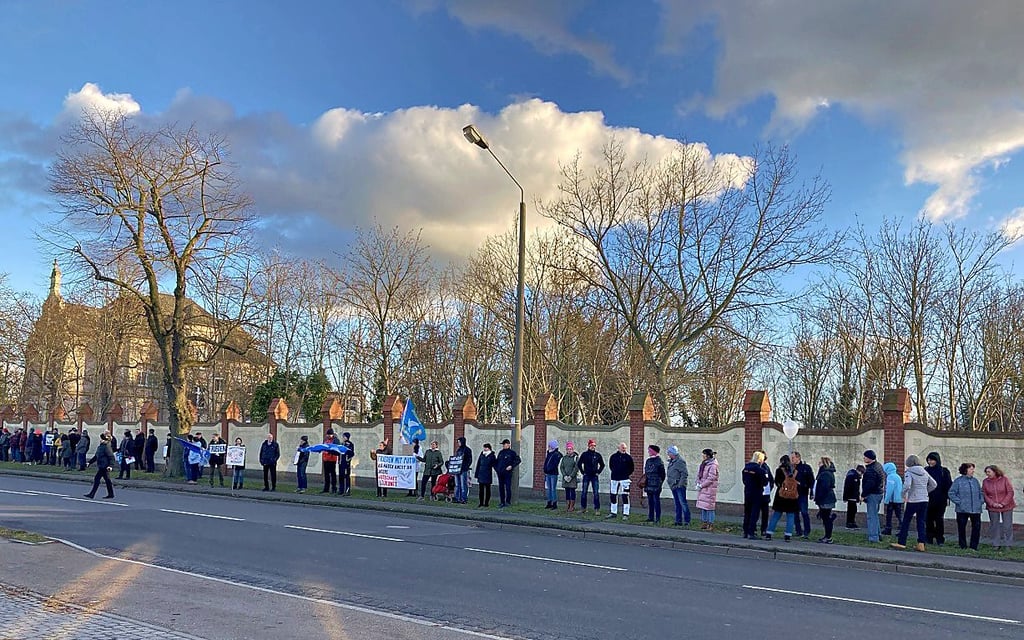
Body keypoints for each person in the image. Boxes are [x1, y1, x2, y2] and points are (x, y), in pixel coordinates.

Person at [891, 454, 937, 552]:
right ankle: (921, 543)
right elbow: (934, 484)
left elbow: (907, 485)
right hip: (924, 499)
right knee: (921, 521)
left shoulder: (909, 472)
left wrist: (903, 494)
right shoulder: (924, 472)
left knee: (906, 521)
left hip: (913, 500)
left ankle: (902, 542)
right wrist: (925, 491)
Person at [948, 462, 983, 550]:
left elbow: (980, 492)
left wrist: (980, 501)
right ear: (965, 470)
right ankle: (962, 545)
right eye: (971, 469)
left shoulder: (975, 481)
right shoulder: (958, 481)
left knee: (976, 527)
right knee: (962, 528)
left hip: (975, 508)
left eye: (973, 469)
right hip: (962, 509)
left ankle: (974, 546)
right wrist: (959, 502)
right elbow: (951, 493)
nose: (973, 471)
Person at [981, 465, 1016, 551]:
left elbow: (1010, 492)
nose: (987, 474)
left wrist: (1003, 503)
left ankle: (1008, 544)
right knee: (994, 526)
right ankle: (996, 544)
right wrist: (993, 503)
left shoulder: (1004, 479)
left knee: (1007, 526)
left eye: (989, 472)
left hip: (1007, 506)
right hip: (993, 507)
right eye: (986, 472)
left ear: (995, 471)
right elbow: (984, 494)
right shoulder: (985, 482)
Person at [764, 455, 799, 541]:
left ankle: (769, 533)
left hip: (781, 496)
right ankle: (788, 535)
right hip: (792, 497)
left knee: (776, 515)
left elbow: (777, 482)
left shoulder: (779, 470)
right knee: (790, 516)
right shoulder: (794, 471)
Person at [924, 452, 952, 545]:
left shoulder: (944, 471)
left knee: (939, 519)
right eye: (928, 460)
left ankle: (940, 538)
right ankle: (929, 537)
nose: (930, 462)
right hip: (928, 499)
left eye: (932, 460)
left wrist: (947, 498)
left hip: (940, 500)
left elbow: (948, 485)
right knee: (928, 519)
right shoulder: (926, 470)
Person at [861, 450, 885, 543]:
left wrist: (863, 495)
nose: (864, 458)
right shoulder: (878, 466)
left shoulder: (871, 469)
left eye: (865, 457)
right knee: (875, 515)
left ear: (869, 458)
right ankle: (878, 534)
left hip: (873, 494)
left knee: (871, 516)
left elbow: (869, 484)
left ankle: (873, 537)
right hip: (879, 493)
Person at [741, 451, 767, 539]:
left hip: (747, 492)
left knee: (747, 512)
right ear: (760, 460)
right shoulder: (760, 470)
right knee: (754, 513)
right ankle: (751, 532)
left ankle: (745, 531)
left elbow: (744, 480)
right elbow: (764, 482)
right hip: (757, 493)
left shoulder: (746, 468)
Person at [83, 432, 116, 499]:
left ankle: (92, 494)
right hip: (101, 465)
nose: (100, 440)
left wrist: (111, 466)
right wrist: (89, 462)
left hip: (104, 466)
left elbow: (111, 457)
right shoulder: (101, 446)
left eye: (102, 439)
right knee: (107, 480)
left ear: (105, 440)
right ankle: (111, 494)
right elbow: (96, 456)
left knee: (97, 479)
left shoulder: (107, 447)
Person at [607, 442, 634, 520]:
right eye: (622, 447)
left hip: (625, 479)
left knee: (625, 496)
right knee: (613, 495)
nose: (623, 449)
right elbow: (611, 466)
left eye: (625, 448)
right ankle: (613, 512)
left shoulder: (628, 457)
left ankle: (626, 513)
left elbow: (632, 468)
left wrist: (626, 474)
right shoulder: (613, 457)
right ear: (618, 448)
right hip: (614, 478)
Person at [792, 451, 815, 539]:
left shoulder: (806, 468)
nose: (792, 460)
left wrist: (811, 492)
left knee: (804, 512)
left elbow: (811, 481)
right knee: (795, 513)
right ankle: (798, 530)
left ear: (798, 458)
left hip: (802, 493)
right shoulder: (792, 468)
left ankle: (806, 531)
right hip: (793, 494)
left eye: (793, 458)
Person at [814, 456, 837, 544]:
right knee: (825, 518)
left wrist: (818, 498)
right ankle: (827, 536)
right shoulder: (826, 473)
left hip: (826, 499)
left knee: (826, 519)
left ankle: (828, 537)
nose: (818, 464)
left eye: (820, 462)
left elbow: (824, 488)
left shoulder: (825, 474)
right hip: (827, 498)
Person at [577, 439, 605, 514]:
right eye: (591, 445)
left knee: (596, 492)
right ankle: (583, 508)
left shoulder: (597, 455)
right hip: (586, 475)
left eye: (594, 446)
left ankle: (597, 509)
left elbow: (602, 465)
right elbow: (579, 464)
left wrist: (598, 472)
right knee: (584, 492)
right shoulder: (584, 454)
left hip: (594, 476)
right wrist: (583, 472)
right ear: (588, 446)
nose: (593, 447)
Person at [666, 445, 690, 526]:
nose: (668, 454)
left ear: (673, 453)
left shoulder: (680, 461)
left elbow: (684, 474)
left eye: (669, 452)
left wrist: (680, 484)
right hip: (673, 485)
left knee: (683, 503)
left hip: (679, 486)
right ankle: (678, 520)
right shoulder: (672, 461)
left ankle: (687, 521)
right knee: (677, 504)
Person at [695, 449, 719, 530]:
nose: (702, 456)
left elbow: (711, 478)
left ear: (708, 455)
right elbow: (699, 475)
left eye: (704, 454)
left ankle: (710, 523)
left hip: (709, 489)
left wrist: (702, 485)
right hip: (703, 488)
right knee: (703, 506)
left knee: (709, 507)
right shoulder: (704, 463)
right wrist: (698, 483)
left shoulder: (713, 465)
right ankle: (704, 522)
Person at [495, 439, 521, 508]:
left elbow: (518, 460)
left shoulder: (512, 453)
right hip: (500, 473)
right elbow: (497, 462)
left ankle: (508, 502)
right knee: (501, 488)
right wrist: (497, 469)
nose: (503, 445)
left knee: (508, 487)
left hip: (507, 473)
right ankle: (502, 502)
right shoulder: (501, 452)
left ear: (508, 445)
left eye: (504, 444)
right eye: (503, 444)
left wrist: (511, 466)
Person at [643, 445, 666, 523]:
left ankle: (658, 518)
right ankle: (651, 517)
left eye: (650, 450)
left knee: (656, 501)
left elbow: (662, 474)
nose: (648, 452)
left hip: (656, 484)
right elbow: (646, 471)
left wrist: (659, 482)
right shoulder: (648, 461)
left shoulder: (659, 461)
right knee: (650, 501)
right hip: (648, 483)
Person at [881, 461, 904, 536]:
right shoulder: (897, 476)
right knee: (899, 515)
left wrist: (886, 500)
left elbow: (890, 489)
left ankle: (888, 529)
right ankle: (903, 529)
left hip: (892, 499)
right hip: (899, 499)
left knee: (889, 515)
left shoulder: (890, 477)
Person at [560, 441, 580, 512]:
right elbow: (561, 467)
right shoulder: (564, 458)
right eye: (568, 449)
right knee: (567, 491)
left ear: (573, 449)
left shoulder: (576, 458)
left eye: (570, 449)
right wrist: (564, 475)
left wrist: (571, 476)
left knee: (572, 491)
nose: (569, 450)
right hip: (565, 477)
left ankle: (572, 506)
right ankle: (567, 505)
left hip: (572, 478)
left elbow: (576, 468)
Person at [543, 439, 563, 509]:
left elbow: (554, 464)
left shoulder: (556, 454)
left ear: (553, 446)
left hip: (553, 473)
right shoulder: (549, 453)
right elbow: (546, 462)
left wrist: (549, 469)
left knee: (553, 489)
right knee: (549, 489)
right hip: (548, 473)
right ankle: (549, 502)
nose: (548, 447)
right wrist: (545, 469)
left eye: (550, 445)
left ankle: (554, 503)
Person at [475, 443, 495, 507]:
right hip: (481, 474)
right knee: (481, 490)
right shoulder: (482, 454)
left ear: (489, 448)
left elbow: (494, 464)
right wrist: (477, 474)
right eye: (484, 447)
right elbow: (478, 464)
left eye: (486, 447)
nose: (484, 449)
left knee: (488, 490)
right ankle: (481, 503)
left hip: (487, 474)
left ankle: (486, 503)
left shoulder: (492, 455)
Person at [757, 450, 773, 536]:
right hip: (757, 494)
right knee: (754, 512)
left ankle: (764, 529)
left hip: (765, 495)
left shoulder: (766, 467)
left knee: (765, 513)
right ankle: (753, 529)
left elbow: (771, 480)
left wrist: (769, 489)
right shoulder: (755, 467)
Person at [453, 437, 472, 504]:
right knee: (457, 484)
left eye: (459, 442)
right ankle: (457, 497)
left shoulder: (467, 450)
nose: (458, 443)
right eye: (458, 442)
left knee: (463, 484)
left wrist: (466, 467)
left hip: (463, 469)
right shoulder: (458, 450)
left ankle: (464, 498)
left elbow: (470, 460)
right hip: (457, 469)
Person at [320, 429, 340, 494]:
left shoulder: (335, 440)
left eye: (329, 435)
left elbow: (336, 449)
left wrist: (329, 451)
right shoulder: (326, 440)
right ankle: (326, 488)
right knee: (326, 475)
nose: (328, 436)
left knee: (333, 474)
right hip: (325, 459)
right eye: (327, 434)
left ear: (332, 434)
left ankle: (334, 488)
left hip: (332, 459)